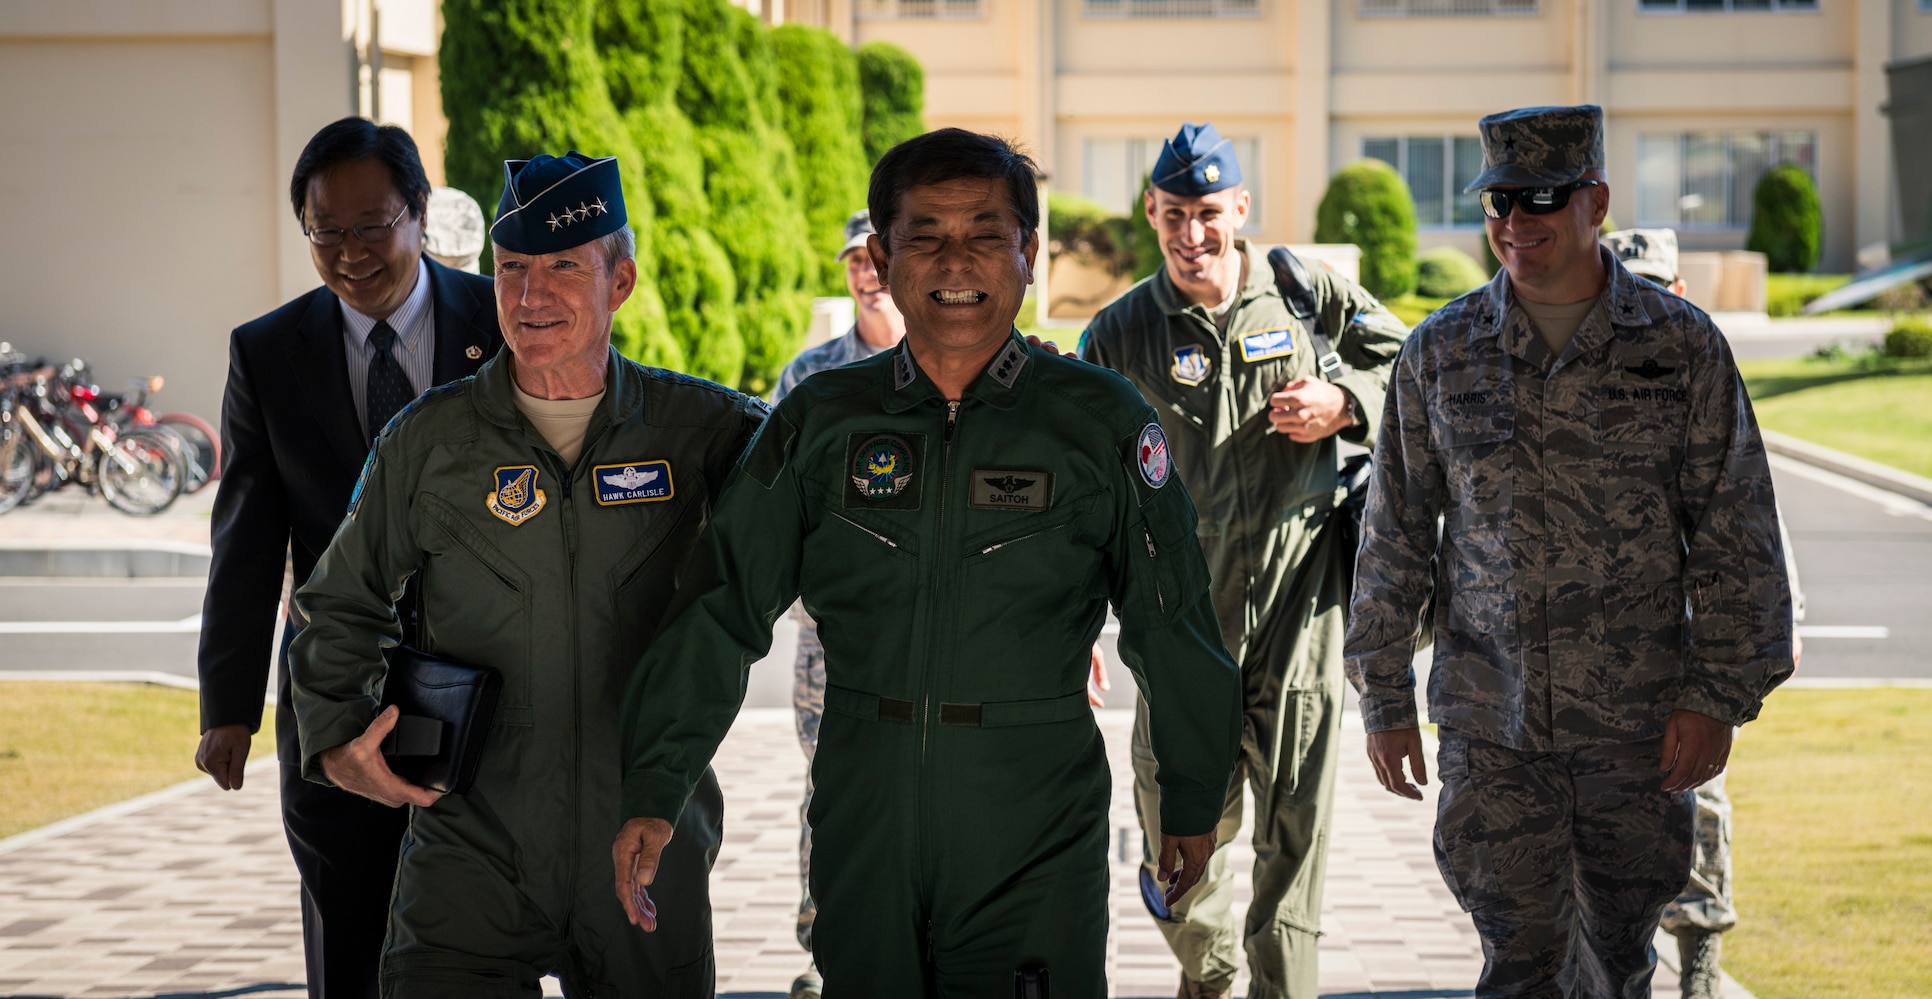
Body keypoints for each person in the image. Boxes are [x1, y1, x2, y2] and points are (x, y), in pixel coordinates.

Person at [613, 128, 1243, 997]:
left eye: (986, 233)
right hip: (864, 801)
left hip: (1033, 809)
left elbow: (1173, 617)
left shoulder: (1098, 422)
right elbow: (720, 603)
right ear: (880, 255)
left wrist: (1191, 791)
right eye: (926, 235)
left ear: (1027, 251)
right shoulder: (820, 420)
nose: (958, 261)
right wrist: (656, 781)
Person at [287, 150, 765, 996]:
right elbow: (339, 598)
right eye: (512, 268)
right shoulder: (427, 441)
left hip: (643, 840)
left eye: (563, 268)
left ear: (619, 283)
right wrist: (333, 736)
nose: (531, 294)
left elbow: (828, 519)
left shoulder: (706, 430)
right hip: (470, 843)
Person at [1346, 105, 1796, 998]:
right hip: (1493, 728)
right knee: (1517, 965)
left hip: (1636, 733)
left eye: (1539, 199)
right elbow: (1395, 532)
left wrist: (1718, 696)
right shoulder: (1439, 353)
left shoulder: (1679, 347)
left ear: (1594, 199)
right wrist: (1384, 693)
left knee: (1619, 964)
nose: (1514, 224)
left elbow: (1736, 533)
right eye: (1497, 203)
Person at [1078, 122, 1409, 999]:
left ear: (1243, 210)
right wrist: (1075, 625)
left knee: (1294, 852)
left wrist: (1346, 399)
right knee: (1176, 856)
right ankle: (1218, 979)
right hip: (1183, 627)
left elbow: (1412, 369)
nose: (1193, 235)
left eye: (1210, 213)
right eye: (1175, 214)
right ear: (1151, 211)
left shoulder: (1304, 294)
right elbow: (1083, 491)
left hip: (1303, 612)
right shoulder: (1119, 334)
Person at [192, 117, 502, 999]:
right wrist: (228, 704)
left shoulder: (502, 318)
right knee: (349, 932)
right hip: (336, 697)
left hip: (485, 682)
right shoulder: (267, 350)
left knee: (479, 943)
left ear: (420, 214)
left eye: (372, 226)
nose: (351, 251)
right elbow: (248, 536)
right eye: (326, 231)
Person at [1604, 227, 1810, 999]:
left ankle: (1698, 972)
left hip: (1689, 666)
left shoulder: (1705, 382)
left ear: (1680, 291)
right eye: (1633, 285)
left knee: (1698, 816)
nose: (1645, 301)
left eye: (1658, 285)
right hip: (1597, 667)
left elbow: (1754, 528)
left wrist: (1767, 639)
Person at [769, 208, 905, 999]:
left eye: (877, 257)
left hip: (919, 628)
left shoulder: (937, 367)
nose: (866, 272)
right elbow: (773, 498)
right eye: (855, 259)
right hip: (830, 639)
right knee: (830, 794)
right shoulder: (811, 377)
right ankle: (824, 954)